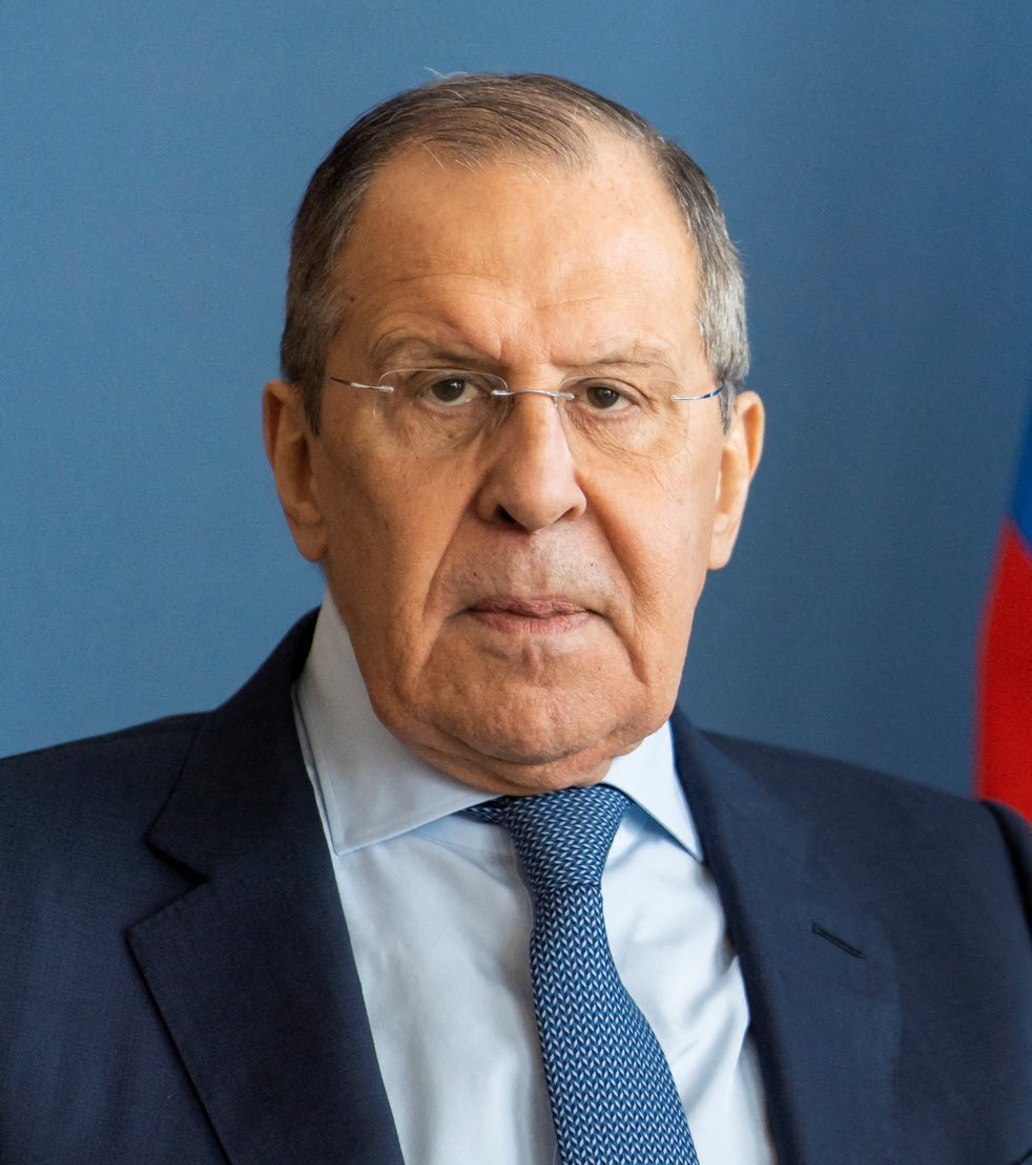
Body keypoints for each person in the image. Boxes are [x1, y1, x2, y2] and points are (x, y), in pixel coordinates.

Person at [1, 74, 1029, 1165]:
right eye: (446, 389)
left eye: (610, 395)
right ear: (302, 463)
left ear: (728, 479)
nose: (537, 489)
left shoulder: (988, 908)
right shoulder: (25, 919)